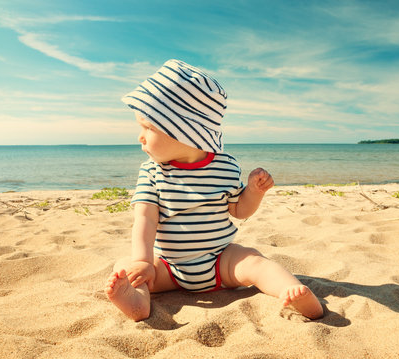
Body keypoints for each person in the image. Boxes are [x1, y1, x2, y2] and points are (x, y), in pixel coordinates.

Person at [105, 59, 323, 321]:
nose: (140, 136)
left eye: (148, 127)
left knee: (254, 261)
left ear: (184, 131)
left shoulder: (225, 166)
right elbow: (145, 219)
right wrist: (142, 261)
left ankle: (291, 291)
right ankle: (137, 302)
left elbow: (239, 210)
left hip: (221, 260)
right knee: (127, 268)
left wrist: (254, 192)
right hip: (168, 268)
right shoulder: (152, 172)